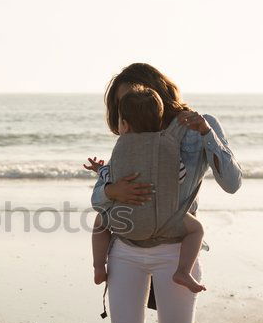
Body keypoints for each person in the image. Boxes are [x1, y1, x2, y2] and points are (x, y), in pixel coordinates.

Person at [89, 63, 241, 323]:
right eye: (120, 106)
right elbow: (100, 196)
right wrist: (109, 189)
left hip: (175, 249)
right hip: (127, 250)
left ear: (158, 92)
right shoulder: (130, 137)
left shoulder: (197, 127)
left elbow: (232, 183)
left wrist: (209, 139)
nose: (125, 114)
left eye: (131, 100)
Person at [84, 86, 206, 293]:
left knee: (99, 223)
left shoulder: (121, 150)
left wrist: (100, 170)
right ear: (159, 121)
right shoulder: (167, 147)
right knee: (197, 230)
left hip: (125, 221)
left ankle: (98, 266)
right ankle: (183, 271)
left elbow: (111, 178)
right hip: (165, 222)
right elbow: (181, 176)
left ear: (124, 124)